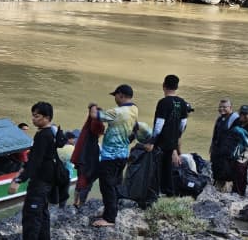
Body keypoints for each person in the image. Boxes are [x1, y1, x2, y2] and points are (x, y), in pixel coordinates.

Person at [9, 102, 58, 240]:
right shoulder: (51, 133)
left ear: (47, 118)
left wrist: (18, 180)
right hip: (47, 181)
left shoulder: (42, 136)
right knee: (43, 214)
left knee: (31, 217)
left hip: (39, 183)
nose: (33, 119)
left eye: (37, 116)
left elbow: (34, 162)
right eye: (33, 115)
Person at [91, 85, 141, 228]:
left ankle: (109, 218)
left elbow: (94, 115)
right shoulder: (134, 109)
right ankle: (111, 210)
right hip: (123, 154)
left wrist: (93, 106)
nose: (115, 99)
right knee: (115, 184)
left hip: (110, 156)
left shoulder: (117, 111)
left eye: (115, 96)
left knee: (107, 186)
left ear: (121, 95)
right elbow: (135, 128)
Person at [146, 74, 192, 197]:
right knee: (168, 167)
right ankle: (170, 192)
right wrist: (177, 136)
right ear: (176, 87)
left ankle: (156, 191)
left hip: (162, 141)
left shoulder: (163, 102)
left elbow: (159, 124)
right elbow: (183, 124)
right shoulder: (182, 103)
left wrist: (152, 141)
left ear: (164, 86)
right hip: (173, 141)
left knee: (157, 167)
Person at [71, 111, 106, 208]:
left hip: (82, 163)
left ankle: (75, 202)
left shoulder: (85, 135)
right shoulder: (93, 142)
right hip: (88, 166)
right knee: (85, 184)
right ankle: (81, 204)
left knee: (80, 183)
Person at [208, 99, 239, 191]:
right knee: (216, 169)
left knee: (226, 172)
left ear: (230, 107)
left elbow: (238, 137)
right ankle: (218, 187)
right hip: (218, 150)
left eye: (224, 107)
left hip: (228, 152)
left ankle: (226, 189)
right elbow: (216, 133)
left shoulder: (235, 119)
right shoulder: (220, 118)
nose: (221, 109)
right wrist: (212, 146)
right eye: (220, 107)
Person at [228, 112, 248, 196]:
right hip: (242, 151)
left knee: (239, 171)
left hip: (244, 153)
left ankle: (239, 193)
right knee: (239, 171)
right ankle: (239, 191)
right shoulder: (239, 124)